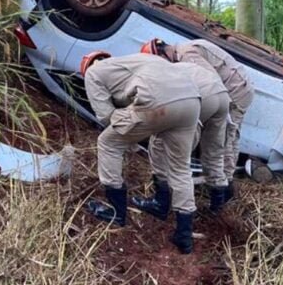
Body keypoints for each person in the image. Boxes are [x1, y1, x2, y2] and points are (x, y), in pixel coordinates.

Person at [81, 51, 201, 253]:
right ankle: (184, 235)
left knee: (108, 143)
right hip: (191, 100)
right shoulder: (137, 60)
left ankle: (115, 212)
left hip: (157, 102)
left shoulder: (93, 73)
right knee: (181, 168)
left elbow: (106, 117)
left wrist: (129, 139)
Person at [140, 38, 255, 202]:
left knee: (225, 138)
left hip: (234, 91)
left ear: (162, 53)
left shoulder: (187, 55)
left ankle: (225, 189)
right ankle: (218, 186)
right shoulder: (184, 51)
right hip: (228, 90)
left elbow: (209, 82)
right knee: (219, 138)